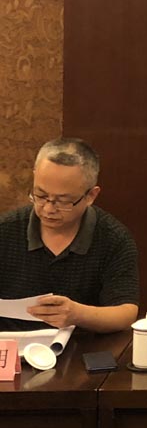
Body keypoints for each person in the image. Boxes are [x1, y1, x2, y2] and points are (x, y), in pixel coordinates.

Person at [0, 138, 139, 332]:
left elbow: (126, 313)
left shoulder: (114, 239)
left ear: (90, 196)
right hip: (11, 344)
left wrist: (78, 314)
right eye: (41, 195)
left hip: (84, 346)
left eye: (63, 201)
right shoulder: (5, 230)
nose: (48, 209)